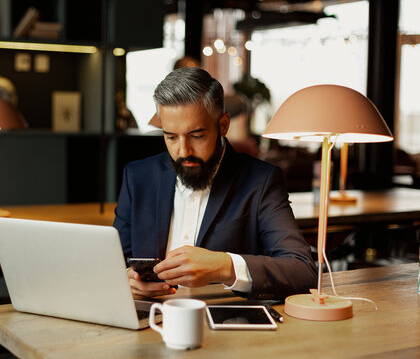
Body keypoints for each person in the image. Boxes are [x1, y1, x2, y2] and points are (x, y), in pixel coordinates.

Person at [113, 67, 317, 300]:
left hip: (226, 327)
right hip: (149, 320)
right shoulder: (138, 176)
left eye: (196, 135)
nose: (183, 151)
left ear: (223, 125)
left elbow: (302, 271)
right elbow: (113, 261)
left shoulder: (260, 181)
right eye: (171, 137)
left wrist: (224, 266)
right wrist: (127, 278)